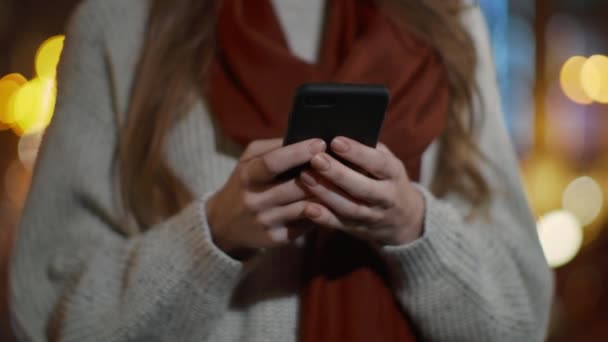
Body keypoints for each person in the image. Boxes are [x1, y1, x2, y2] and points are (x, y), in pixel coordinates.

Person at [9, 0, 554, 341]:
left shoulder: (447, 20)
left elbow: (521, 320)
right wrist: (214, 237)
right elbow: (44, 315)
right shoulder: (122, 23)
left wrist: (414, 228)